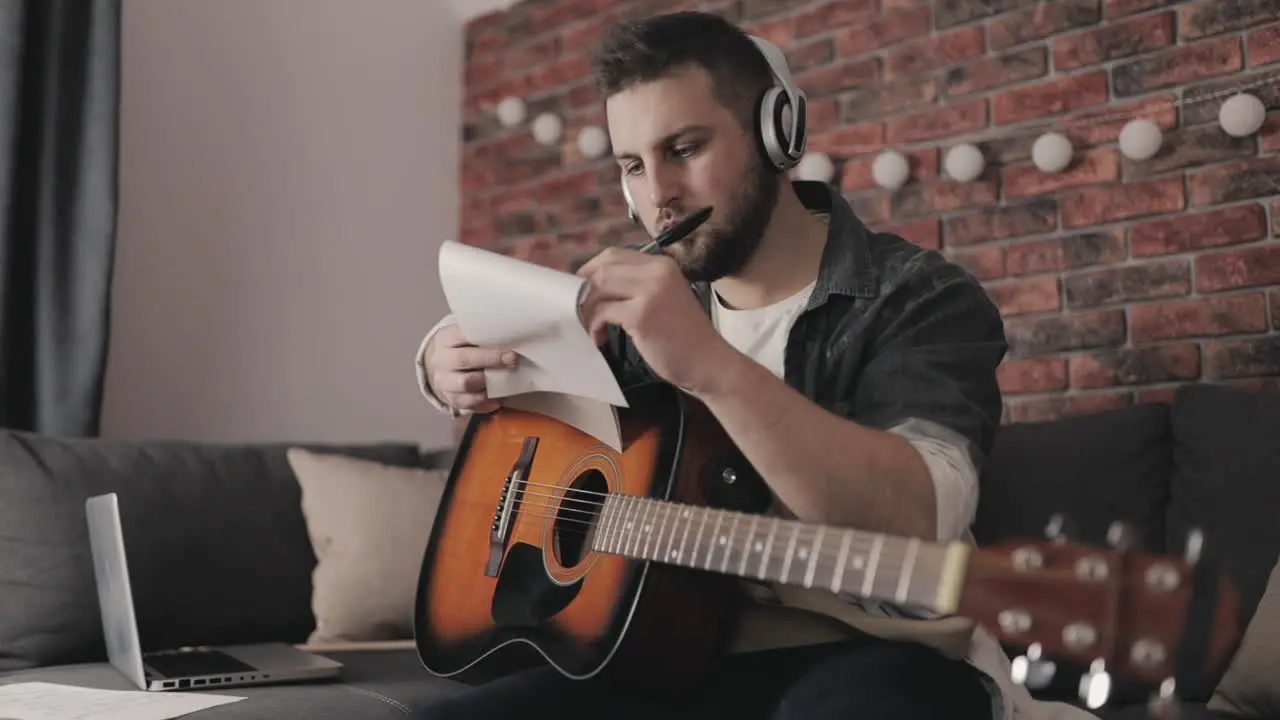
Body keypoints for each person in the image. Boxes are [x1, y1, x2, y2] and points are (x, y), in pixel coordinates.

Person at [410, 11, 1100, 720]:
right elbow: (507, 348)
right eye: (634, 165)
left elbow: (916, 516)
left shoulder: (920, 297)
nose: (657, 194)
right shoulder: (630, 305)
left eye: (684, 148)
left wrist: (707, 361)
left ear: (778, 135)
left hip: (877, 655)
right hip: (662, 651)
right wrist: (439, 361)